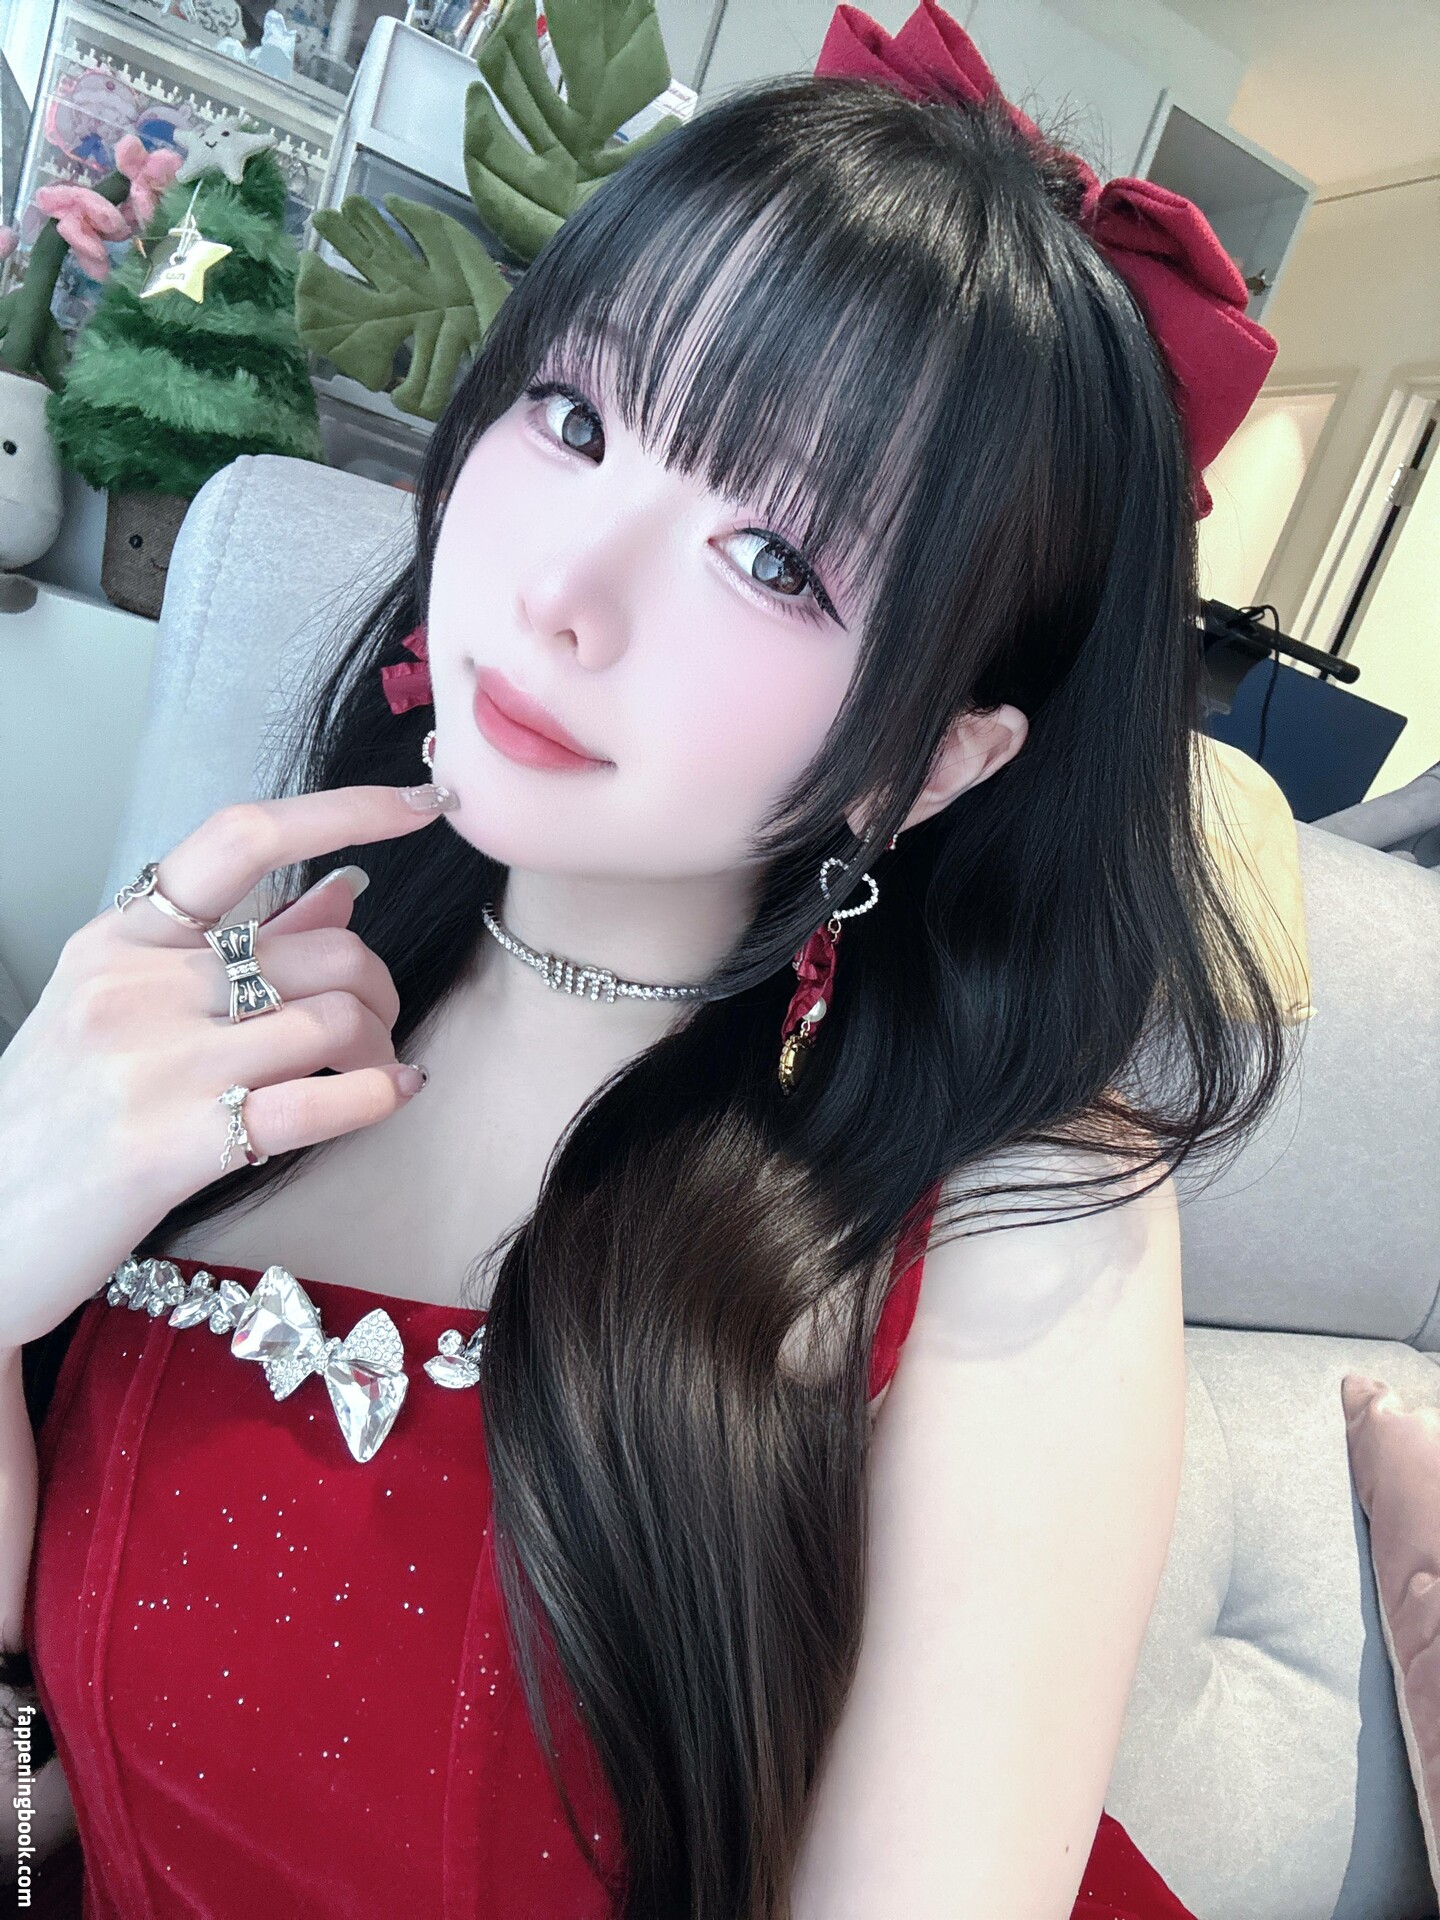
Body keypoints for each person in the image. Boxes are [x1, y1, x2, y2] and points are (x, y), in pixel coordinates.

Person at [0, 14, 1290, 1917]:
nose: (560, 592)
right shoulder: (237, 983)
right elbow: (42, 1741)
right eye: (577, 419)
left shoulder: (1017, 1214)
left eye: (776, 559)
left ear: (937, 762)